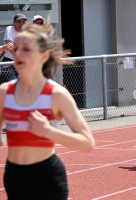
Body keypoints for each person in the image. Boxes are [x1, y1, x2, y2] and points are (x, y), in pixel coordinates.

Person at [0, 18, 95, 199]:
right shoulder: (4, 92)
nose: (18, 54)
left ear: (43, 56)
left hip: (47, 177)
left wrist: (48, 131)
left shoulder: (57, 94)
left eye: (26, 49)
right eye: (17, 48)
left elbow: (87, 142)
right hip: (14, 176)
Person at [0, 13, 27, 84]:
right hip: (9, 62)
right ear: (13, 23)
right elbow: (10, 46)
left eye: (23, 22)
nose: (21, 24)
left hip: (21, 63)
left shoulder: (27, 32)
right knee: (13, 84)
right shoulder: (9, 29)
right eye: (19, 22)